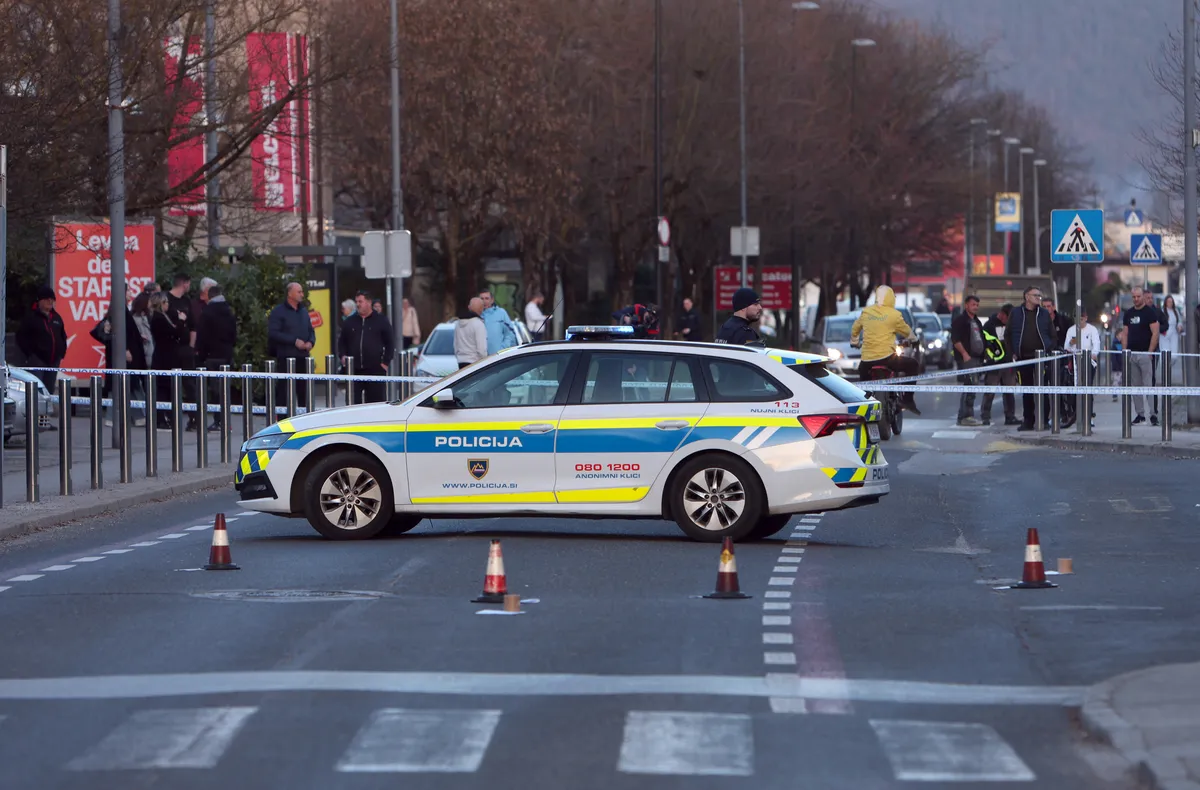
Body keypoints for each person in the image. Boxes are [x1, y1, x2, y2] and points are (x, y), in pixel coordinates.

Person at [850, 285, 920, 414]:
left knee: (863, 387)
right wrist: (915, 340)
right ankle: (907, 399)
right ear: (890, 298)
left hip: (867, 361)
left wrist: (854, 342)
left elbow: (855, 328)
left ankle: (864, 406)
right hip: (887, 359)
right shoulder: (894, 315)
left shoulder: (866, 312)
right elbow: (906, 331)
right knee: (913, 365)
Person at [1008, 285, 1055, 431]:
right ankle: (1028, 420)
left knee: (1043, 389)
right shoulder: (1016, 313)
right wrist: (1013, 353)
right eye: (1036, 295)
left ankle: (1044, 420)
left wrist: (1050, 349)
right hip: (1024, 357)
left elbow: (1052, 333)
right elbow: (1008, 334)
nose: (1038, 298)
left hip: (1042, 357)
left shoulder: (1043, 314)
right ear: (1027, 296)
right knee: (1027, 390)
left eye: (1039, 296)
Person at [339, 291, 396, 403]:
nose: (358, 304)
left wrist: (385, 363)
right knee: (353, 403)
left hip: (375, 370)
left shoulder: (381, 321)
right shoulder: (350, 322)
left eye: (361, 301)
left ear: (369, 302)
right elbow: (342, 342)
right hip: (354, 370)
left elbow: (390, 342)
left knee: (375, 403)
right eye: (356, 302)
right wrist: (342, 356)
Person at [267, 282, 316, 411]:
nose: (302, 294)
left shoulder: (303, 311)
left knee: (304, 393)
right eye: (299, 292)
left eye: (302, 292)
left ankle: (304, 420)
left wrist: (311, 342)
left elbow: (311, 330)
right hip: (286, 358)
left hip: (303, 358)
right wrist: (294, 341)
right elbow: (273, 333)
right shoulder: (279, 312)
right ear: (290, 294)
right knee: (284, 392)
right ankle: (283, 421)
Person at [196, 285, 238, 430]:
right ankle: (226, 421)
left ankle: (218, 421)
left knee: (215, 391)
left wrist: (200, 354)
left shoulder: (207, 312)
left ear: (210, 296)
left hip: (212, 356)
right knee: (225, 389)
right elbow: (234, 336)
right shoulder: (229, 311)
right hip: (226, 355)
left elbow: (202, 336)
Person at [1119, 286, 1160, 426]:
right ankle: (1140, 414)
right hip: (1132, 354)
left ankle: (1153, 414)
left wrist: (1150, 351)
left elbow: (1155, 332)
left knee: (1148, 385)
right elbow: (1125, 333)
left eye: (1138, 296)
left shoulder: (1150, 313)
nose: (1136, 299)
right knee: (1135, 386)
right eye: (1134, 297)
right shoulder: (1128, 314)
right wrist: (1125, 352)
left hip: (1145, 354)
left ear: (1143, 296)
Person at [149, 292, 190, 430]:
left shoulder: (163, 317)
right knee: (163, 388)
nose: (168, 305)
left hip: (168, 356)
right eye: (165, 302)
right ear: (160, 304)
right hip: (164, 357)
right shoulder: (158, 319)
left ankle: (168, 417)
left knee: (167, 388)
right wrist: (181, 321)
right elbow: (173, 333)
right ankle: (161, 418)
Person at [16, 285, 68, 393]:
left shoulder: (57, 318)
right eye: (47, 299)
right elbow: (21, 337)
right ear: (40, 301)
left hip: (53, 361)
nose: (50, 301)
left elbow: (63, 335)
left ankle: (47, 409)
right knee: (37, 390)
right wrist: (30, 355)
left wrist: (61, 353)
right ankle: (36, 409)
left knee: (49, 390)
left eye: (52, 299)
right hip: (37, 361)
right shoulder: (31, 318)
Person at [166, 273, 199, 430]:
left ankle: (194, 418)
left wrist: (191, 347)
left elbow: (193, 326)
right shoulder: (167, 300)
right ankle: (170, 417)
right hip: (171, 347)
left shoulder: (186, 302)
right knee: (171, 384)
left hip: (185, 348)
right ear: (185, 284)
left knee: (189, 384)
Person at [981, 304, 1018, 426]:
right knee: (989, 391)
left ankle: (1010, 416)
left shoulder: (1012, 325)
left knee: (1009, 391)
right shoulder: (989, 325)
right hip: (994, 363)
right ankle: (985, 416)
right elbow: (984, 343)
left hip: (1008, 362)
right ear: (1002, 314)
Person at [951, 294, 985, 426]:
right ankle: (965, 416)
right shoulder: (960, 321)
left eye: (977, 305)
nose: (975, 307)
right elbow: (955, 340)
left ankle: (965, 416)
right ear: (966, 305)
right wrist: (965, 354)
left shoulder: (977, 321)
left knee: (973, 386)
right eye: (973, 305)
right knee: (969, 386)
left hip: (977, 359)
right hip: (967, 360)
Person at [1065, 309, 1100, 429]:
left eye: (1082, 318)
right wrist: (1071, 343)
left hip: (1088, 361)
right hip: (1075, 362)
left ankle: (1089, 416)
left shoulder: (1092, 329)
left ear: (1086, 318)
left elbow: (1096, 344)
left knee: (1087, 389)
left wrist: (1094, 354)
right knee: (1075, 388)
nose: (1079, 321)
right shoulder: (1071, 330)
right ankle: (1076, 414)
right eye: (1077, 318)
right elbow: (1067, 346)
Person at [480, 290, 518, 354]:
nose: (484, 301)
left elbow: (510, 333)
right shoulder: (477, 315)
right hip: (481, 358)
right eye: (482, 299)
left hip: (498, 356)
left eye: (487, 298)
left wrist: (503, 348)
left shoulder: (501, 313)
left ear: (492, 300)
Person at [454, 297, 488, 369]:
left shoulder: (458, 324)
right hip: (475, 363)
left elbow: (455, 345)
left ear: (469, 307)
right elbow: (481, 349)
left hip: (461, 362)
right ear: (481, 309)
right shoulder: (478, 324)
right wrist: (485, 360)